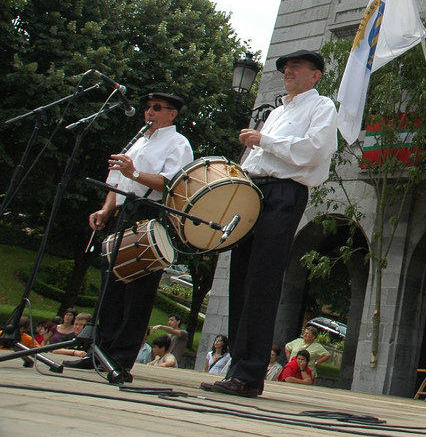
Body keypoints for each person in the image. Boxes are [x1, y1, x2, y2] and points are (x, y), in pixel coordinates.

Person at [202, 49, 339, 398]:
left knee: (263, 279)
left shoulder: (321, 106)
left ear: (315, 75)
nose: (288, 71)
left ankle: (250, 374)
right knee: (242, 276)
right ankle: (237, 368)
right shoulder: (277, 111)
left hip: (284, 192)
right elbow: (256, 158)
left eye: (296, 67)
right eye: (285, 68)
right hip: (253, 190)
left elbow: (313, 150)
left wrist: (263, 139)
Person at [63, 93, 193, 378]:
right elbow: (116, 183)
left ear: (172, 113)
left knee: (138, 289)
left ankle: (121, 358)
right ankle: (99, 351)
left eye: (156, 108)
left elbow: (172, 183)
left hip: (149, 212)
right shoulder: (138, 141)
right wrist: (105, 210)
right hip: (124, 212)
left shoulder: (178, 143)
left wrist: (134, 173)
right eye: (147, 107)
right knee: (110, 285)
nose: (149, 112)